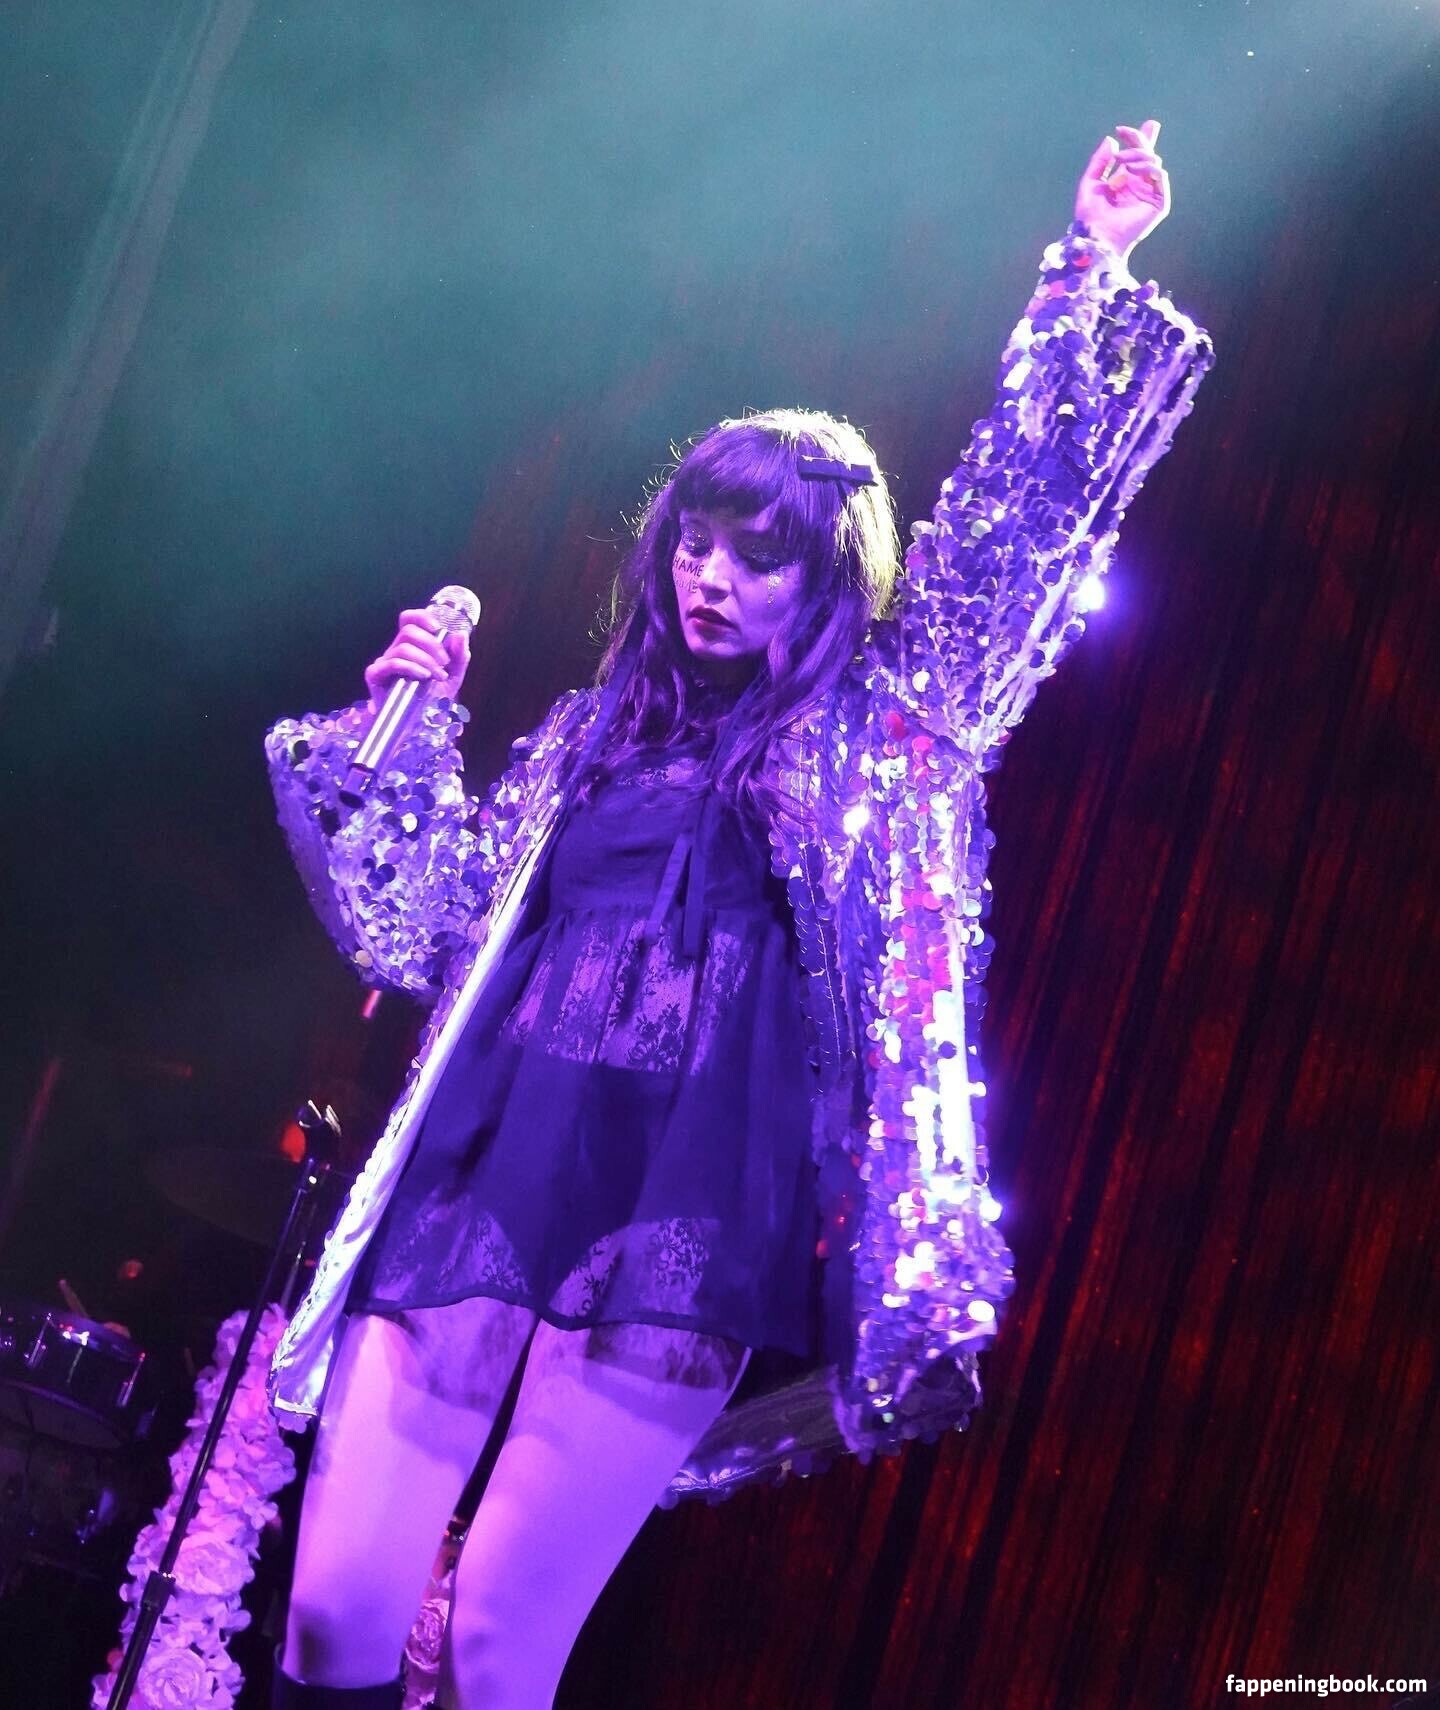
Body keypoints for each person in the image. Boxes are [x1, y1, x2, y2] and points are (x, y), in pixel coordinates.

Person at [263, 122, 1213, 1708]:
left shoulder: (881, 733)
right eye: (693, 544)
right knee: (339, 1619)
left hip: (683, 1217)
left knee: (491, 1651)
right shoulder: (588, 736)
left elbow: (1017, 530)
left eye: (756, 558)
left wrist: (1092, 271)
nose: (707, 579)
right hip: (486, 1173)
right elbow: (425, 932)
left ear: (827, 578)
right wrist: (406, 742)